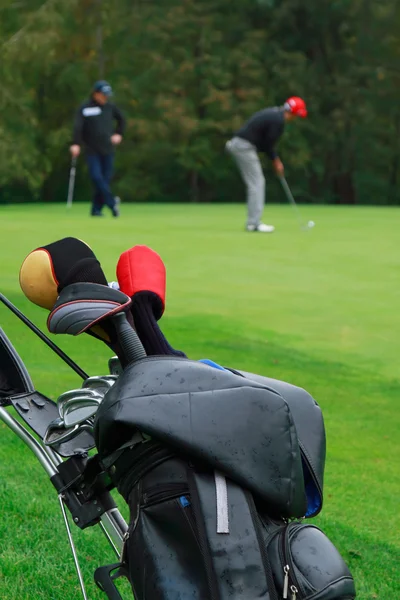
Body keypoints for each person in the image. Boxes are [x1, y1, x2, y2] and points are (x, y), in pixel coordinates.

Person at [226, 96, 307, 232]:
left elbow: (264, 144)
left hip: (241, 145)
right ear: (293, 113)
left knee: (256, 182)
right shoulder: (278, 121)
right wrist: (276, 161)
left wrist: (275, 159)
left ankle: (253, 222)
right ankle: (253, 224)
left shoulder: (275, 114)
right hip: (243, 146)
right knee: (257, 183)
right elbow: (268, 144)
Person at [70, 80, 126, 217]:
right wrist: (75, 143)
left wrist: (118, 134)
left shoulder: (110, 107)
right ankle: (112, 203)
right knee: (96, 177)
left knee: (105, 180)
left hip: (108, 150)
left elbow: (122, 120)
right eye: (103, 95)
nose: (105, 98)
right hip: (92, 150)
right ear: (95, 94)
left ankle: (96, 210)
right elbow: (78, 127)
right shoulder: (85, 108)